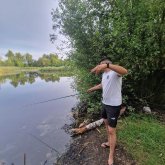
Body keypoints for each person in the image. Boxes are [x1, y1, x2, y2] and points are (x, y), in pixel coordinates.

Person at [87, 57, 128, 165]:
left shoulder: (115, 72)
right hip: (105, 103)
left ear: (106, 64)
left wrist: (108, 66)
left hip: (114, 106)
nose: (98, 67)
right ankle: (110, 143)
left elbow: (125, 71)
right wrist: (92, 89)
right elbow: (103, 85)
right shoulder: (104, 75)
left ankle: (111, 156)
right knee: (106, 124)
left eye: (100, 65)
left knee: (111, 130)